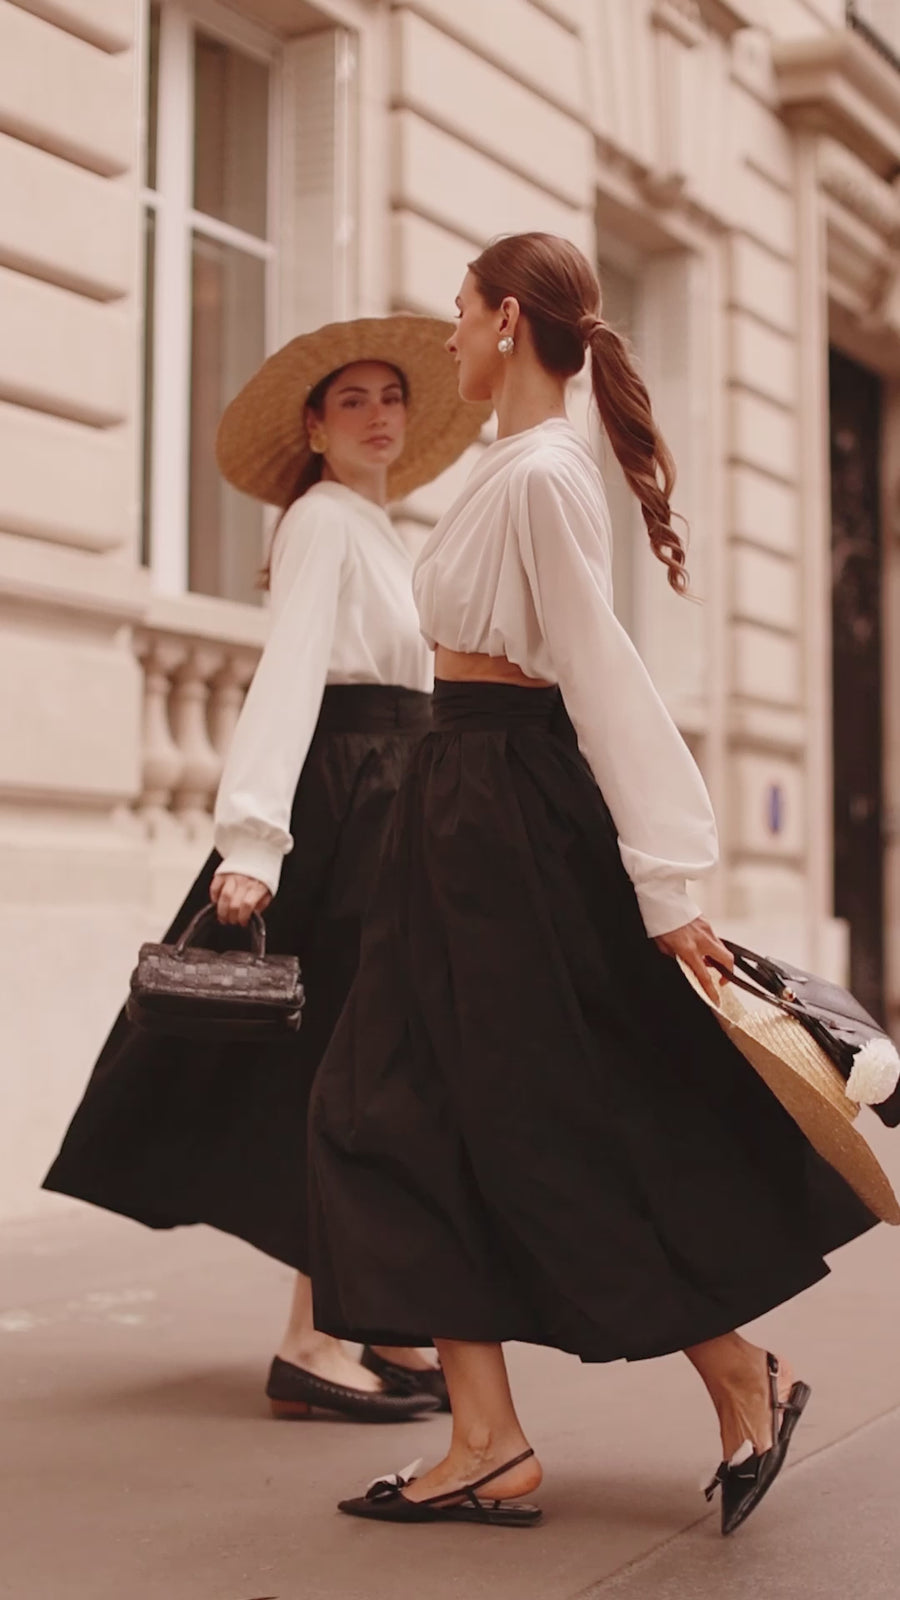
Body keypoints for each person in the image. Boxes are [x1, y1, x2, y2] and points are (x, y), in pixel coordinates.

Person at [308, 236, 878, 1531]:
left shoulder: (547, 475)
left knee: (533, 1110)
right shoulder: (511, 465)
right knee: (406, 1111)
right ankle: (490, 1438)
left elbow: (602, 675)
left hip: (500, 814)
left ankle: (734, 1376)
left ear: (509, 321)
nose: (446, 340)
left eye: (458, 316)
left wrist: (669, 883)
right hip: (455, 809)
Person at [44, 315, 488, 1423]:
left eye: (393, 396)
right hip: (343, 807)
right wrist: (252, 841)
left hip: (388, 797)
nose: (381, 413)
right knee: (347, 1067)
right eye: (354, 401)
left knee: (377, 1061)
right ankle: (315, 1337)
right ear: (313, 427)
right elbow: (288, 674)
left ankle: (371, 1317)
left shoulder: (377, 530)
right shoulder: (325, 522)